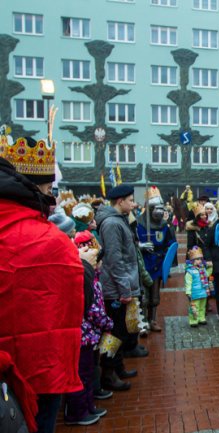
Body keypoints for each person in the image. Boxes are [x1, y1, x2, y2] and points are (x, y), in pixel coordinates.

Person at [0, 134, 84, 433]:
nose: (54, 198)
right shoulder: (47, 239)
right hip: (39, 368)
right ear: (34, 188)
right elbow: (73, 301)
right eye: (50, 190)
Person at [64, 232, 112, 426]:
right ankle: (77, 411)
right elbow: (93, 309)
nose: (99, 263)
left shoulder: (93, 278)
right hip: (83, 335)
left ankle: (88, 404)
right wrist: (107, 323)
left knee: (90, 370)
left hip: (90, 335)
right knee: (82, 373)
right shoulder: (87, 281)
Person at [95, 184, 139, 392]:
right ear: (120, 201)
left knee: (120, 329)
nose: (133, 203)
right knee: (114, 332)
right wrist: (124, 289)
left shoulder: (119, 220)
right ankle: (108, 373)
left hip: (121, 285)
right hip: (115, 288)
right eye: (130, 200)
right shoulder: (112, 224)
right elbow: (114, 259)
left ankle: (118, 366)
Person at [136, 186, 175, 332]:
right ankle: (144, 322)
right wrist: (141, 245)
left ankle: (153, 320)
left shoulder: (164, 226)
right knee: (144, 296)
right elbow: (132, 243)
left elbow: (170, 244)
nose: (158, 210)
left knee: (155, 296)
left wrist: (166, 254)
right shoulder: (139, 223)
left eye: (160, 207)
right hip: (145, 262)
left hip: (158, 263)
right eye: (155, 207)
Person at [185, 246, 212, 327]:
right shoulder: (190, 271)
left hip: (203, 291)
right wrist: (188, 292)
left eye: (200, 259)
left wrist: (210, 268)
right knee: (194, 307)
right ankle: (193, 320)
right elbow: (188, 282)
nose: (199, 261)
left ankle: (201, 318)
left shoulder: (202, 269)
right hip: (195, 293)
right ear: (192, 261)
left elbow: (207, 274)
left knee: (202, 306)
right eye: (197, 259)